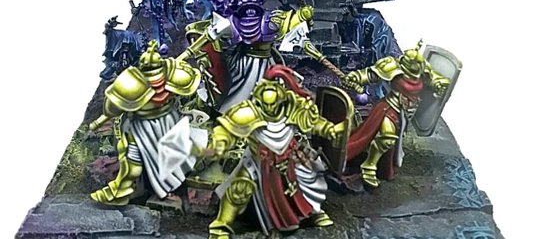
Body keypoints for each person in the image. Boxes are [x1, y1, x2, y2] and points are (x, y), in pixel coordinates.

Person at [207, 65, 346, 239]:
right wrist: (220, 142)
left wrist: (329, 130)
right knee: (239, 188)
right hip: (258, 161)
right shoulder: (248, 112)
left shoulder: (293, 107)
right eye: (266, 105)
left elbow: (313, 123)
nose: (270, 109)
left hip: (290, 157)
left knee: (309, 181)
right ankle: (221, 225)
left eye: (273, 105)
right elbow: (227, 129)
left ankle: (314, 212)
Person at [89, 40, 205, 205]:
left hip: (162, 124)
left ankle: (133, 191)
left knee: (164, 159)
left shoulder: (158, 74)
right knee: (134, 161)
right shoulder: (163, 73)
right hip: (152, 125)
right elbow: (112, 108)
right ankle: (122, 192)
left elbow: (111, 109)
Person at [344, 42, 449, 187]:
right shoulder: (393, 66)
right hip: (389, 107)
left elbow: (435, 79)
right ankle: (369, 167)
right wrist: (356, 77)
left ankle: (380, 164)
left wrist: (439, 85)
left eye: (417, 64)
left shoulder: (422, 69)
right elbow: (371, 74)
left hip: (405, 114)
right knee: (387, 138)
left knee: (394, 141)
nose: (416, 67)